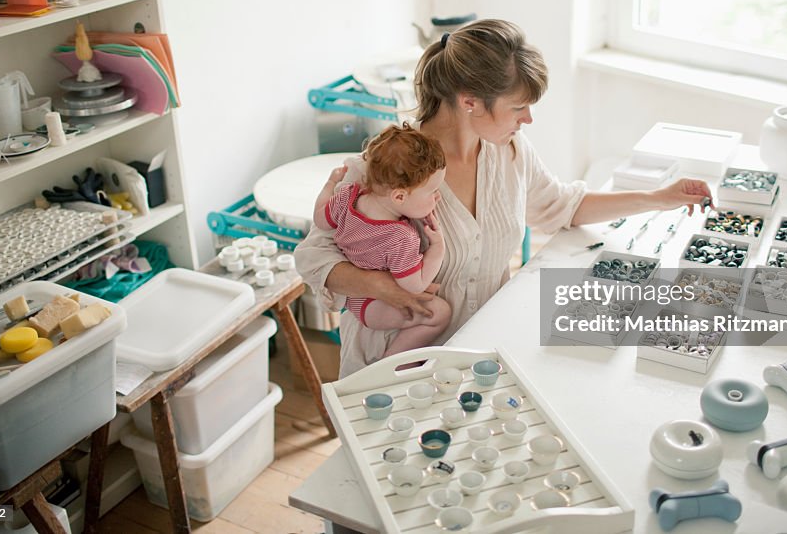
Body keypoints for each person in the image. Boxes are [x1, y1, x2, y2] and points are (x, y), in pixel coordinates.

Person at [296, 19, 712, 377]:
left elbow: (564, 206)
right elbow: (311, 258)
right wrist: (383, 288)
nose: (528, 119)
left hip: (480, 354)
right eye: (518, 108)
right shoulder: (382, 168)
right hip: (391, 359)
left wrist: (660, 198)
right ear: (470, 103)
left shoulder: (510, 152)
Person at [311, 125, 452, 361]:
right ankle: (392, 363)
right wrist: (438, 249)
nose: (437, 197)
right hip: (374, 306)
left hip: (353, 299)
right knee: (439, 314)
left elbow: (320, 219)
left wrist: (329, 185)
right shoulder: (400, 238)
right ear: (399, 196)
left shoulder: (348, 196)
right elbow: (414, 285)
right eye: (433, 191)